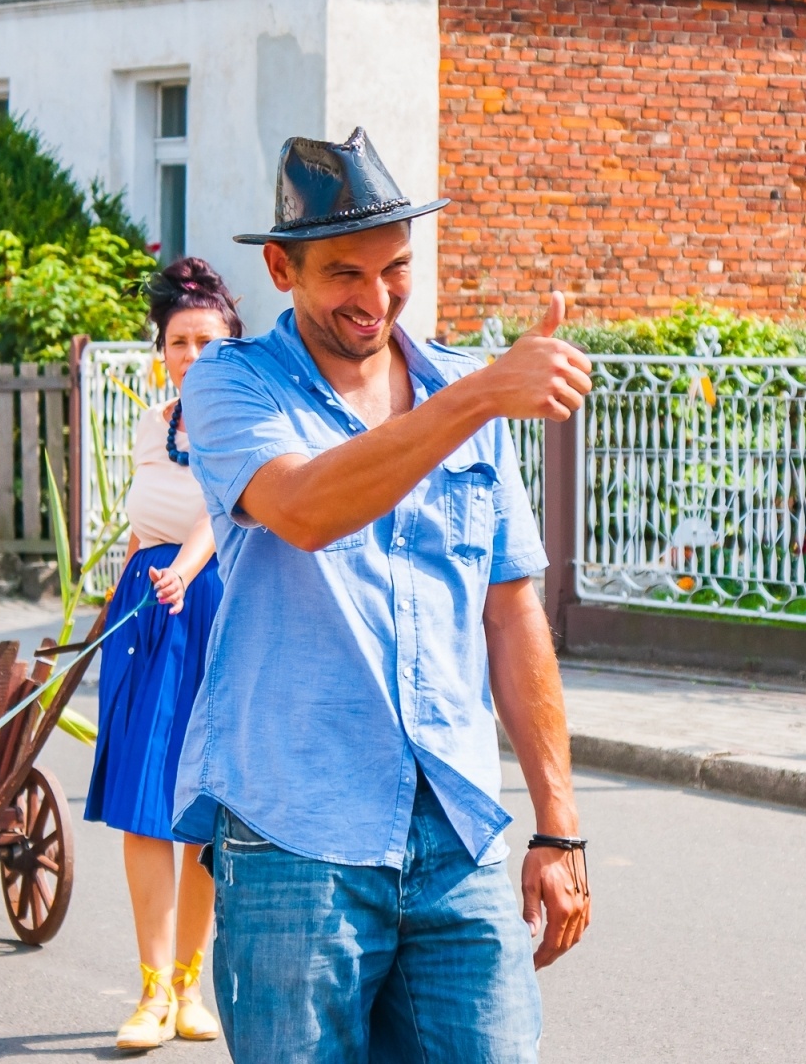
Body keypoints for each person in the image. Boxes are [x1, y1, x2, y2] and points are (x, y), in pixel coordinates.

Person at [173, 128, 593, 1061]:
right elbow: (307, 507)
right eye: (344, 275)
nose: (375, 299)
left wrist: (559, 827)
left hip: (456, 831)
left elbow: (510, 611)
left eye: (395, 269)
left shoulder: (459, 389)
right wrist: (479, 397)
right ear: (281, 268)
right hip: (295, 836)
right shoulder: (232, 387)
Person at [84, 256, 241, 1051]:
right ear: (164, 351)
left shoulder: (243, 419)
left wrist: (181, 567)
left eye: (207, 339)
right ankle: (149, 992)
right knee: (146, 806)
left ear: (231, 343)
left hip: (212, 607)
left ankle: (190, 986)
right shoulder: (156, 423)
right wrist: (132, 576)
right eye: (180, 342)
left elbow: (222, 511)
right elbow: (150, 517)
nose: (192, 354)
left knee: (200, 809)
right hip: (147, 615)